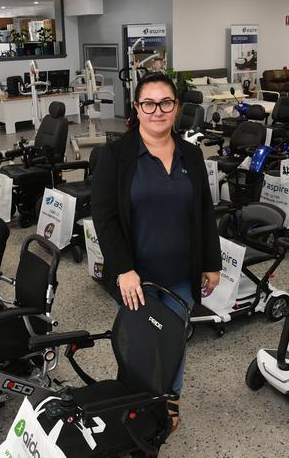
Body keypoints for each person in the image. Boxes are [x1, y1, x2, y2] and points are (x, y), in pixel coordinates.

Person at [91, 72, 221, 433]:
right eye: (149, 103)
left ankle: (169, 399)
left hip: (181, 273)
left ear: (176, 107)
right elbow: (104, 217)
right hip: (137, 276)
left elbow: (205, 212)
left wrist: (211, 262)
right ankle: (135, 404)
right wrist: (123, 269)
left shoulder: (191, 155)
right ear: (137, 108)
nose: (158, 111)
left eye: (166, 103)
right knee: (139, 345)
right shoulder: (116, 156)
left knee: (174, 343)